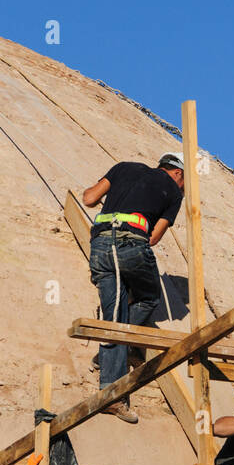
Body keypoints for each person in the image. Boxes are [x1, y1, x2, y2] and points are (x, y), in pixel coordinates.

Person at [81, 152, 185, 423]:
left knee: (113, 314)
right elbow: (153, 238)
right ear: (178, 174)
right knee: (149, 297)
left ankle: (106, 358)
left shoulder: (124, 167)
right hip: (132, 247)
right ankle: (112, 395)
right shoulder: (174, 191)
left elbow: (90, 198)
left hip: (100, 247)